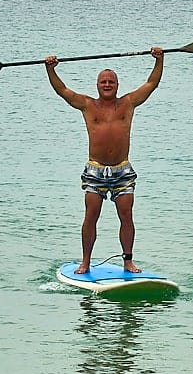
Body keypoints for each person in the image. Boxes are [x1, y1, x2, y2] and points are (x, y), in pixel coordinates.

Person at [44, 47, 164, 274]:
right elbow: (62, 90)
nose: (107, 85)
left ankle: (128, 261)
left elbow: (151, 84)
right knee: (91, 216)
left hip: (122, 171)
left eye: (111, 82)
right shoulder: (88, 105)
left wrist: (159, 60)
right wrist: (51, 69)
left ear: (117, 85)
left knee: (126, 216)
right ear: (97, 85)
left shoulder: (128, 103)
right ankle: (85, 262)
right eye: (103, 82)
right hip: (95, 171)